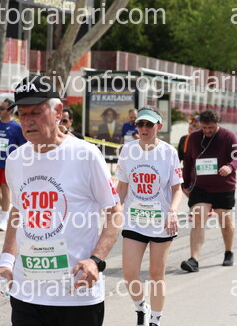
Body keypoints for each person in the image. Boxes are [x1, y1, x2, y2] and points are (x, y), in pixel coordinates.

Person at [0, 75, 123, 326]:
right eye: (22, 114)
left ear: (58, 112)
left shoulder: (85, 155)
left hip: (76, 295)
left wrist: (96, 261)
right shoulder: (15, 160)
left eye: (36, 112)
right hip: (26, 293)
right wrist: (6, 260)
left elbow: (115, 212)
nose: (28, 121)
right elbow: (18, 211)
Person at [116, 107, 183, 326]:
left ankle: (155, 319)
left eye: (149, 124)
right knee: (129, 273)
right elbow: (122, 186)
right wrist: (113, 211)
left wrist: (172, 211)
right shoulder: (128, 150)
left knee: (156, 275)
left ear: (158, 126)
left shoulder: (168, 152)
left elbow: (177, 189)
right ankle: (141, 307)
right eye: (140, 124)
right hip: (134, 220)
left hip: (161, 222)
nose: (143, 128)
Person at [181, 109, 237, 272]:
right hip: (201, 187)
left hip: (223, 187)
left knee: (225, 221)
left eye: (211, 128)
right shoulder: (194, 138)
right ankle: (194, 259)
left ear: (217, 123)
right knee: (198, 218)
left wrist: (230, 167)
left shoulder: (228, 136)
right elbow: (188, 161)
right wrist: (185, 184)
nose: (207, 131)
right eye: (204, 127)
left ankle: (228, 252)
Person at [0, 99, 27, 231]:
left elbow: (25, 146)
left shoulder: (17, 127)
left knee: (5, 190)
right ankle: (7, 208)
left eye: (2, 108)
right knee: (4, 196)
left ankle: (3, 220)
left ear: (10, 111)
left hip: (7, 165)